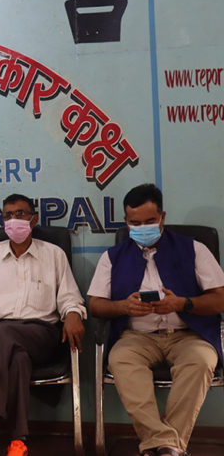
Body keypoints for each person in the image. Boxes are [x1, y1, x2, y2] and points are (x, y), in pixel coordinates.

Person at [88, 183, 224, 456]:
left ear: (162, 217)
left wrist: (183, 303)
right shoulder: (112, 257)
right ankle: (169, 446)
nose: (143, 227)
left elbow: (220, 299)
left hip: (188, 334)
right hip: (136, 338)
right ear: (126, 221)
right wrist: (123, 306)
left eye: (150, 221)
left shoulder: (194, 249)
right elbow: (95, 305)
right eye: (135, 223)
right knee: (120, 360)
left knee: (201, 361)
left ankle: (160, 445)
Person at [0, 194, 86, 456]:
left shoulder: (54, 255)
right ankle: (19, 440)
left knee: (5, 334)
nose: (13, 219)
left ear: (33, 219)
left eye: (20, 214)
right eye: (7, 215)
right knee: (18, 359)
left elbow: (70, 298)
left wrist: (74, 313)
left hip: (41, 333)